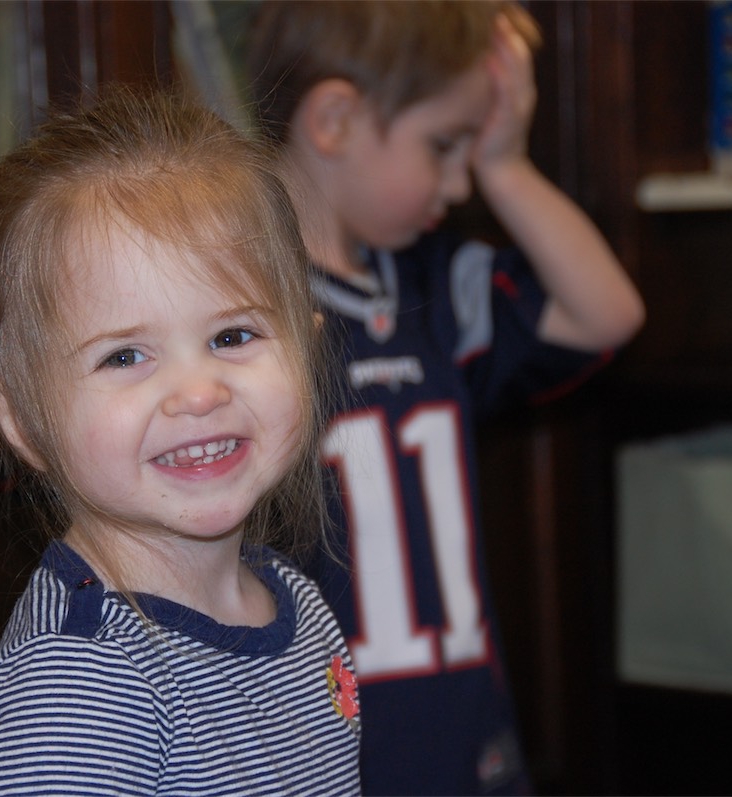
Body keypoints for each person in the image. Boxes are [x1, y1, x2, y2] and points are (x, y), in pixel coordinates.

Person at [0, 86, 362, 795]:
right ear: (19, 417)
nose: (198, 393)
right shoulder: (76, 685)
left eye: (232, 336)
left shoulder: (296, 602)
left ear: (305, 349)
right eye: (124, 356)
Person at [245, 2, 645, 794]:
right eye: (443, 145)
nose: (461, 182)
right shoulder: (238, 320)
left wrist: (508, 167)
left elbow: (607, 314)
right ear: (334, 120)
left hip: (464, 735)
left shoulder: (432, 284)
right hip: (323, 751)